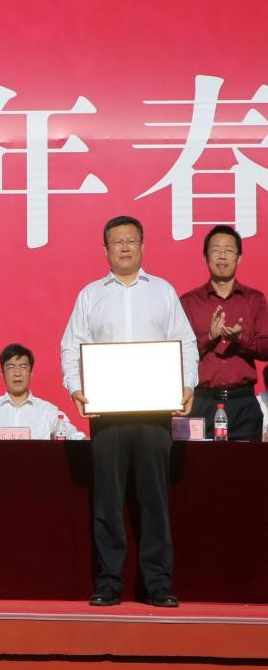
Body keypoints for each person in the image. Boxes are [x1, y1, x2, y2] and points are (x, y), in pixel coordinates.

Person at [61, 216, 198, 608]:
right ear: (105, 250)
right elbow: (72, 346)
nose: (124, 247)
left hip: (154, 412)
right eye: (117, 242)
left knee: (154, 500)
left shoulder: (163, 292)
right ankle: (109, 582)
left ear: (143, 246)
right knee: (107, 502)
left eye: (131, 240)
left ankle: (157, 583)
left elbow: (186, 343)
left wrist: (188, 384)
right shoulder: (90, 295)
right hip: (108, 415)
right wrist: (77, 388)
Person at [179, 225, 268, 440]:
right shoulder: (189, 302)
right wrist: (209, 338)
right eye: (216, 249)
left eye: (229, 250)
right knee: (198, 461)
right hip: (202, 403)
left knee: (246, 462)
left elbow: (266, 348)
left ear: (239, 258)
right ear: (205, 257)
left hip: (243, 404)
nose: (222, 256)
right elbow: (179, 353)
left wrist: (241, 339)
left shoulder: (254, 300)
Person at [0, 344, 84, 440]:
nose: (17, 373)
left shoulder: (48, 410)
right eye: (11, 367)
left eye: (23, 366)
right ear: (2, 375)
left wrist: (81, 439)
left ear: (31, 374)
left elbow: (68, 430)